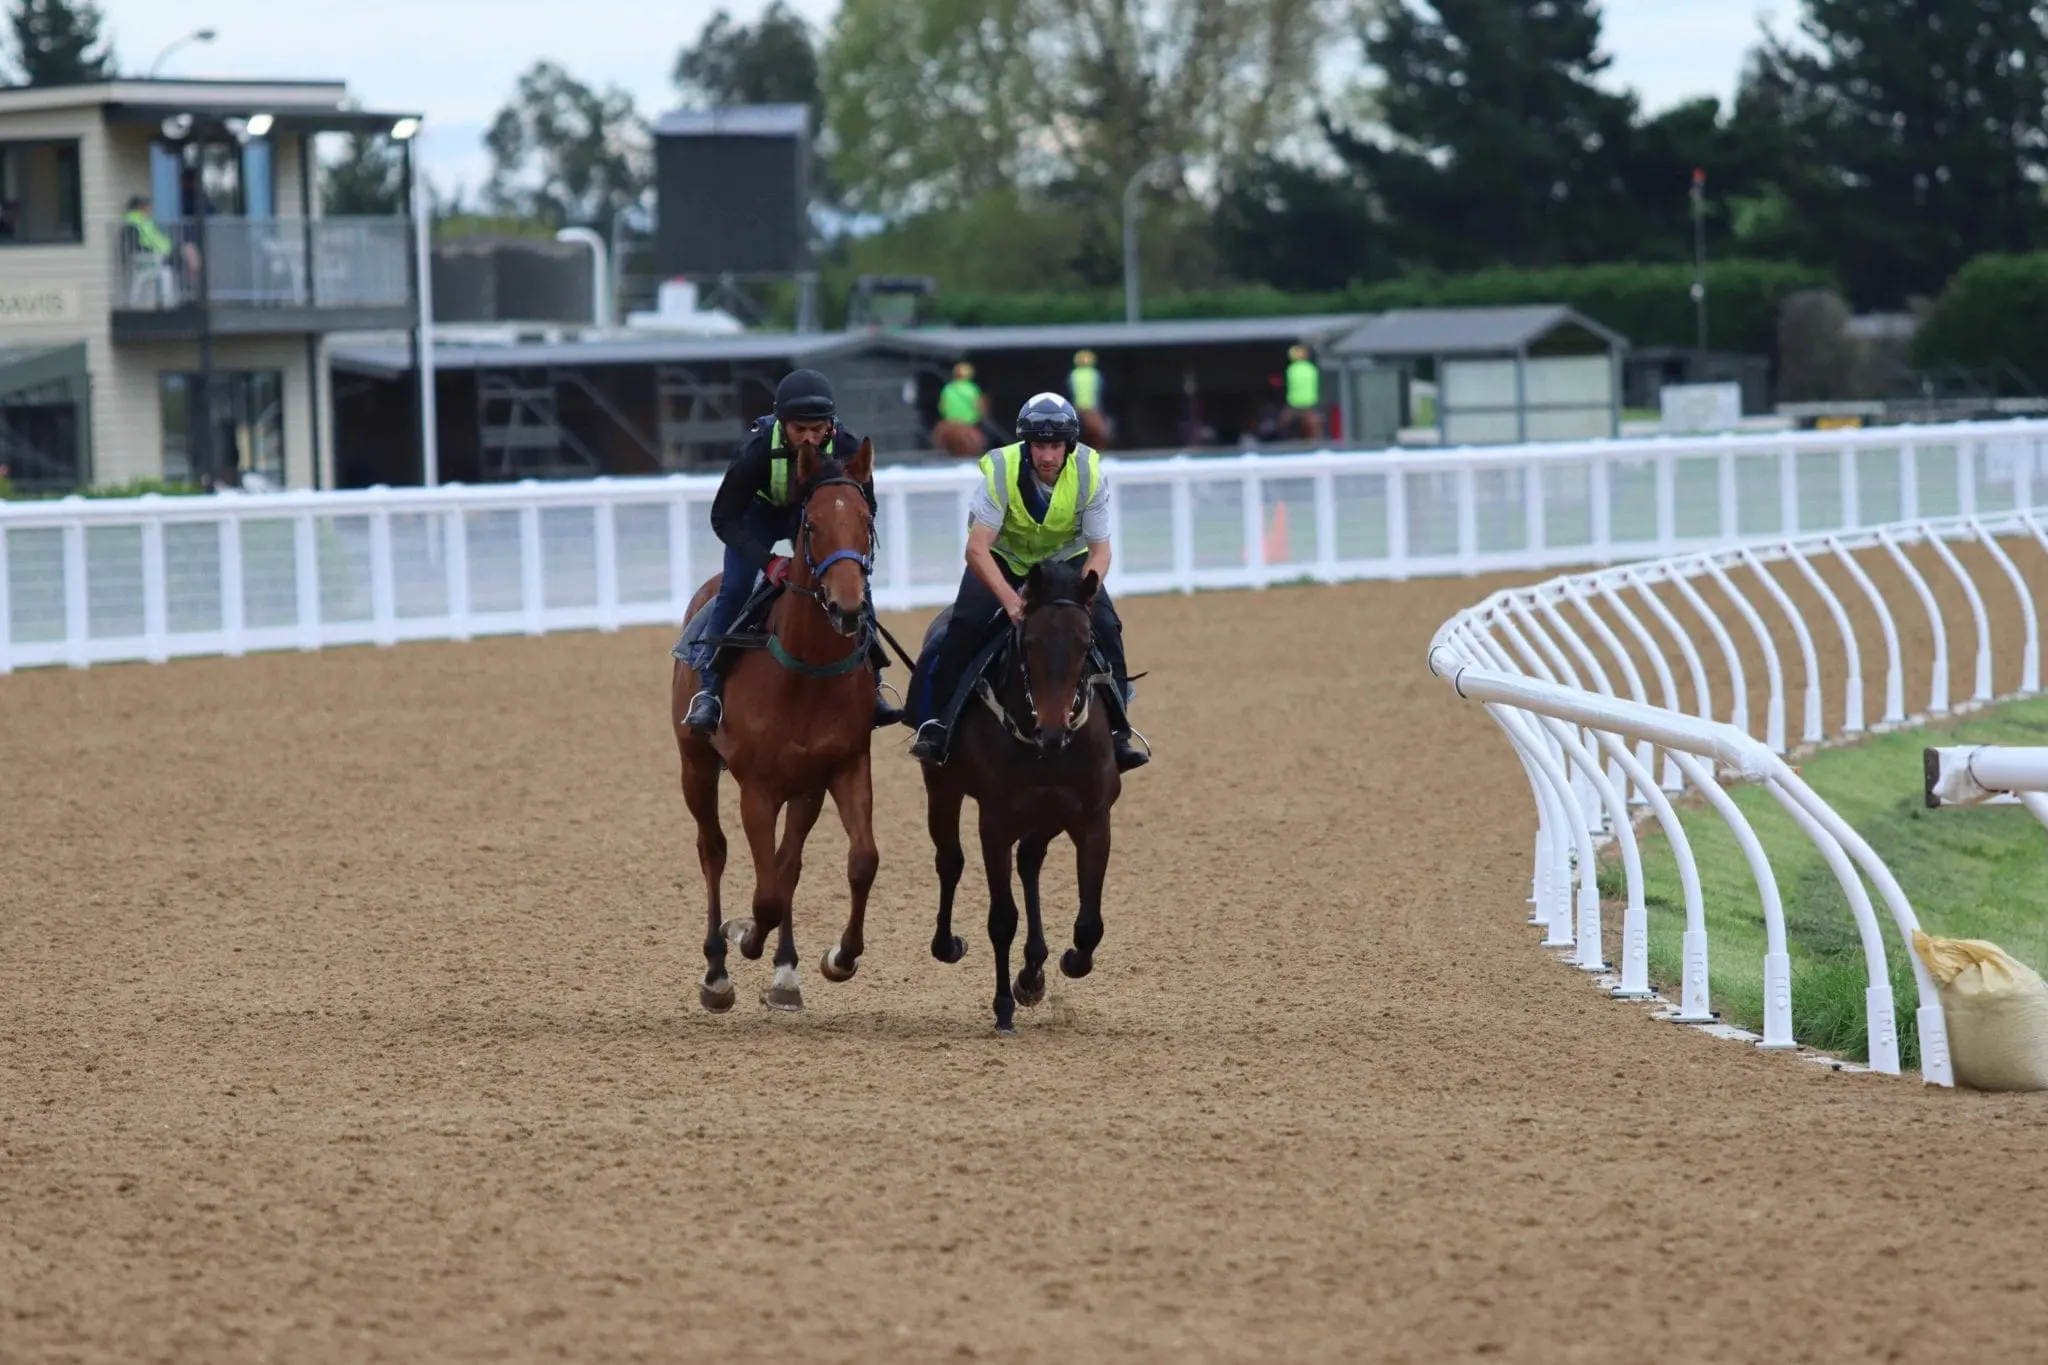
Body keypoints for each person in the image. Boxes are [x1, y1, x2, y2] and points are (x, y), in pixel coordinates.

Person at [906, 392, 1148, 772]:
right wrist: (1009, 601)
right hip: (1005, 559)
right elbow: (976, 549)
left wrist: (1087, 592)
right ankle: (937, 724)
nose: (1046, 456)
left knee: (1105, 626)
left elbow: (1100, 551)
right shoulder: (1001, 471)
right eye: (1038, 446)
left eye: (1054, 446)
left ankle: (1120, 731)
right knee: (964, 626)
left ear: (1068, 446)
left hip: (1067, 564)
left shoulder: (1089, 472)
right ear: (1026, 444)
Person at [682, 367, 903, 734]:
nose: (810, 439)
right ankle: (709, 691)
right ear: (781, 423)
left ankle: (874, 684)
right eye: (799, 429)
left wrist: (846, 552)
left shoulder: (847, 446)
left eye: (818, 429)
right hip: (759, 517)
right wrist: (768, 562)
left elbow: (868, 508)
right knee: (737, 587)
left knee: (853, 585)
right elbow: (723, 517)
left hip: (814, 515)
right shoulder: (756, 450)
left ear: (830, 424)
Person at [1284, 343, 1322, 440]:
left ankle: (1287, 440)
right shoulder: (1312, 368)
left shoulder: (1291, 369)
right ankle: (1317, 441)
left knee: (1285, 422)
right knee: (1314, 423)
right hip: (1310, 402)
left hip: (1295, 402)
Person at [938, 362, 987, 430]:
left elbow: (942, 408)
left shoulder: (948, 388)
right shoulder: (973, 389)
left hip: (951, 423)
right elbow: (979, 407)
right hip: (969, 424)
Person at [1068, 350, 1102, 415]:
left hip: (1078, 406)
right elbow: (1098, 390)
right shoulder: (1094, 373)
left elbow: (1071, 389)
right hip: (1092, 406)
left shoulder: (1074, 373)